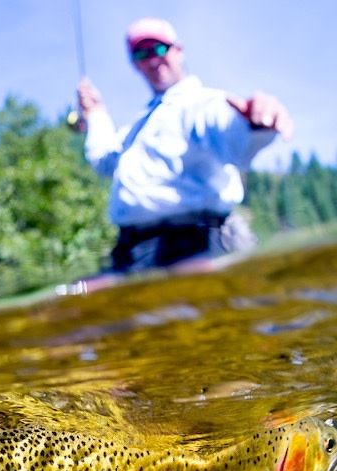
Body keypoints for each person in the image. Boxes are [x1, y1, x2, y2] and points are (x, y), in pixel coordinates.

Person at [72, 17, 293, 289]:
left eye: (159, 49)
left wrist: (254, 124)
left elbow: (234, 138)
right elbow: (104, 161)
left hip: (199, 243)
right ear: (136, 64)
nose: (152, 60)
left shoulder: (202, 103)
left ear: (178, 50)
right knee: (71, 301)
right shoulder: (136, 128)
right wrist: (96, 115)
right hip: (134, 252)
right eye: (142, 54)